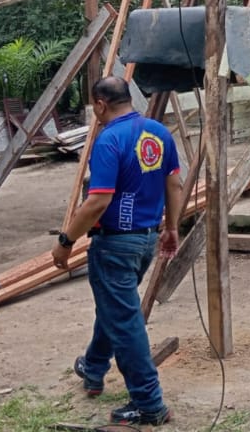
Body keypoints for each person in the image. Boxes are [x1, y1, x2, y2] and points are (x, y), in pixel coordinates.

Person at [53, 74, 182, 426]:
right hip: (146, 240)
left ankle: (149, 403)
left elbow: (98, 201)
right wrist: (171, 227)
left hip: (115, 244)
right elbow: (174, 183)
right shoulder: (159, 132)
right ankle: (93, 367)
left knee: (125, 321)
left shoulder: (109, 139)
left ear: (100, 104)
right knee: (116, 307)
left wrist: (65, 242)